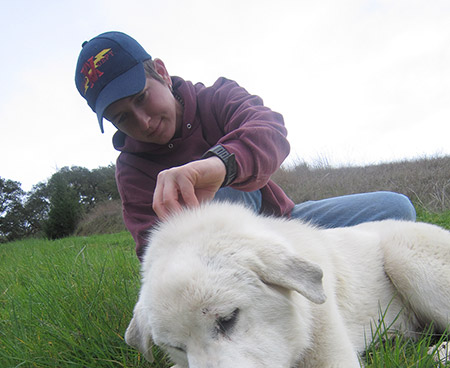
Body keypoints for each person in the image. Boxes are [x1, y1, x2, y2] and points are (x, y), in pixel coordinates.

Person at [75, 31, 416, 260]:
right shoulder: (131, 169)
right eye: (122, 117)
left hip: (287, 222)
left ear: (161, 73)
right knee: (222, 203)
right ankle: (282, 272)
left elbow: (270, 131)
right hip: (217, 259)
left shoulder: (217, 97)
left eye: (141, 98)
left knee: (397, 208)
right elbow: (153, 250)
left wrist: (219, 166)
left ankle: (302, 259)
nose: (143, 122)